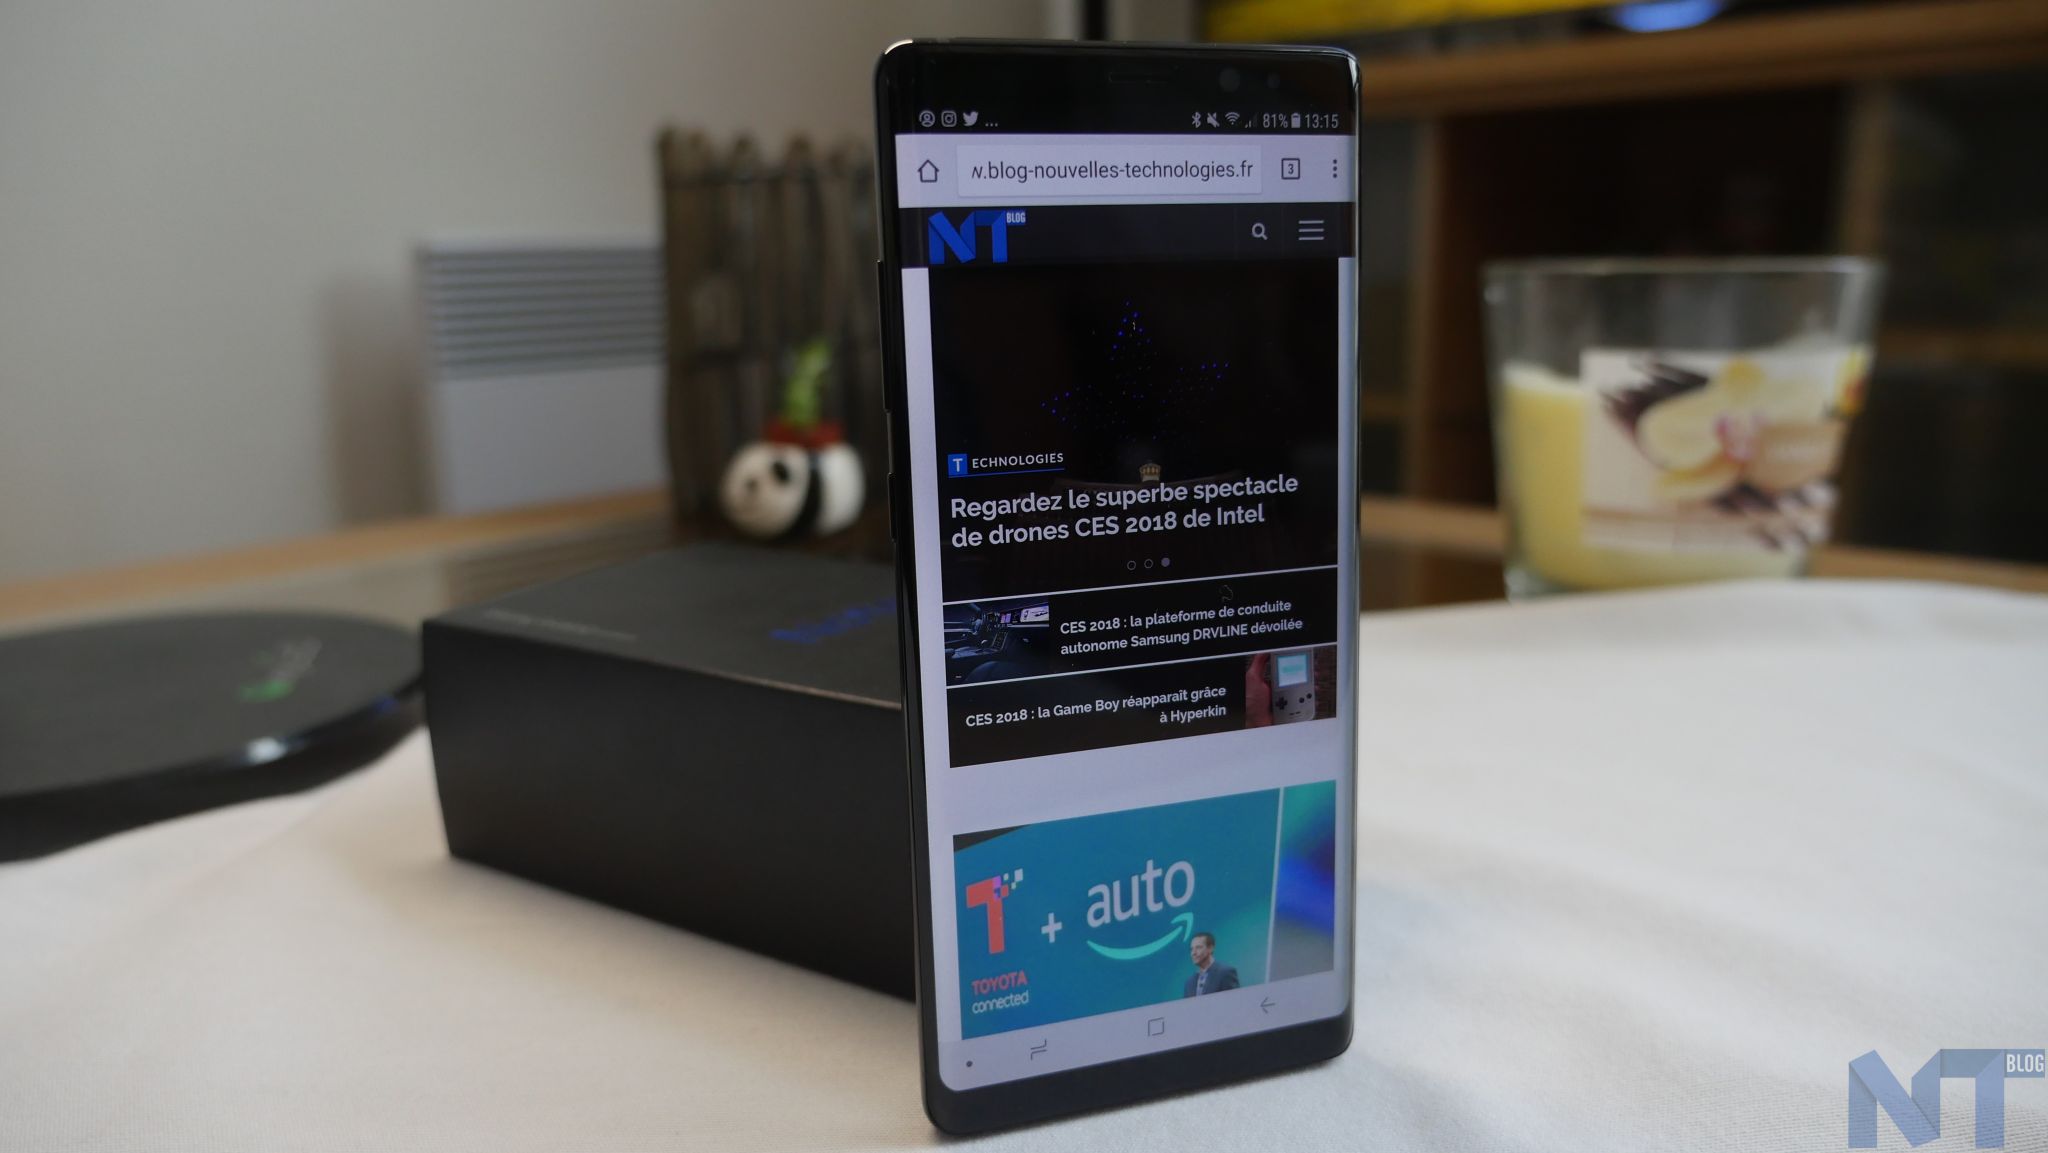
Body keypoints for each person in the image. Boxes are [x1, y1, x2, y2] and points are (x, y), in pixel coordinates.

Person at [1183, 931, 1239, 997]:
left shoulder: (1225, 973)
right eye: (1192, 949)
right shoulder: (1189, 982)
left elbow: (1234, 1000)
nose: (1193, 953)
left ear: (1210, 948)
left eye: (1198, 947)